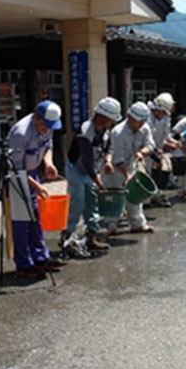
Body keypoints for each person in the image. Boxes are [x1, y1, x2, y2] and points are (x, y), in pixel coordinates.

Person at [5, 100, 65, 280]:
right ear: (36, 117)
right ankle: (24, 265)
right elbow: (15, 168)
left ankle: (40, 257)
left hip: (31, 173)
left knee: (36, 216)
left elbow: (48, 147)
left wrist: (48, 164)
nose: (46, 129)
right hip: (15, 175)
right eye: (44, 125)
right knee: (22, 221)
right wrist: (37, 186)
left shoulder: (49, 125)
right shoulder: (20, 133)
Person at [62, 97, 120, 253]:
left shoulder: (105, 131)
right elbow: (86, 160)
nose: (112, 123)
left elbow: (110, 148)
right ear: (103, 118)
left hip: (92, 169)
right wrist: (99, 181)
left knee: (91, 201)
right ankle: (67, 237)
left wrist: (108, 161)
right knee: (77, 201)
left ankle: (91, 237)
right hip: (76, 168)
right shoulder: (85, 131)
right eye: (111, 120)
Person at [105, 102, 157, 234]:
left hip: (132, 165)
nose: (140, 125)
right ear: (130, 118)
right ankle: (112, 224)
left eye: (142, 122)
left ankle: (138, 224)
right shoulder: (118, 132)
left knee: (134, 196)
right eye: (138, 122)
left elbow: (151, 145)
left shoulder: (144, 128)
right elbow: (118, 159)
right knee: (115, 195)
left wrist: (142, 153)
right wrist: (126, 176)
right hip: (116, 169)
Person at [147, 92, 179, 207]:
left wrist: (174, 143)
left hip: (155, 151)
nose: (164, 115)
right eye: (163, 113)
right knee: (145, 175)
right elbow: (147, 141)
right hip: (146, 152)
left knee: (155, 174)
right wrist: (156, 153)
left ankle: (155, 196)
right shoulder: (147, 120)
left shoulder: (161, 118)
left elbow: (165, 136)